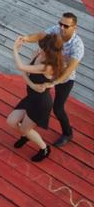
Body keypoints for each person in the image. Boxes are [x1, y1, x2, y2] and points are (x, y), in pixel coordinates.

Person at [20, 13, 85, 148]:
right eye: (60, 23)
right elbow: (40, 36)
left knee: (58, 108)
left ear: (75, 27)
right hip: (48, 71)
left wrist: (53, 83)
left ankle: (67, 133)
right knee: (35, 93)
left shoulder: (77, 46)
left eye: (66, 26)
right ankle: (26, 119)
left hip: (63, 79)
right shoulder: (56, 29)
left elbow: (69, 70)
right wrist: (25, 38)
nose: (61, 27)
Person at [6, 34, 63, 162]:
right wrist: (32, 84)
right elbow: (25, 72)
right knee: (11, 121)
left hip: (40, 103)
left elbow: (21, 68)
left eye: (43, 48)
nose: (40, 50)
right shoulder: (40, 55)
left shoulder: (47, 66)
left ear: (50, 51)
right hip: (31, 97)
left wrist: (15, 49)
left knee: (26, 128)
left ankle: (44, 149)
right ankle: (27, 136)